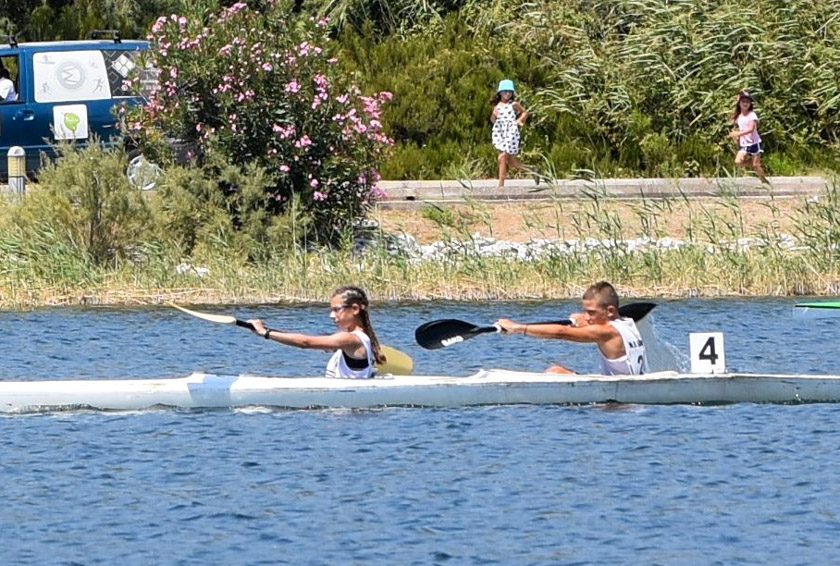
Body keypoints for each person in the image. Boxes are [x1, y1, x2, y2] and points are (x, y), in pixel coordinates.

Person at [495, 281, 648, 375]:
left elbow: (561, 332)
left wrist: (517, 327)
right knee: (558, 370)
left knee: (555, 371)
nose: (587, 317)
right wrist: (585, 318)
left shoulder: (605, 332)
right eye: (585, 311)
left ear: (610, 311)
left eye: (591, 312)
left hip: (618, 399)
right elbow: (599, 321)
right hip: (632, 384)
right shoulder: (628, 322)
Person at [247, 285, 385, 378]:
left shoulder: (350, 339)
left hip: (347, 414)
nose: (331, 316)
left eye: (337, 310)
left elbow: (305, 342)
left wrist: (265, 332)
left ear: (355, 309)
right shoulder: (362, 337)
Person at [490, 78, 531, 188]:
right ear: (500, 93)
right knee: (512, 162)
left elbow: (525, 112)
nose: (507, 94)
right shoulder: (497, 105)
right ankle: (532, 170)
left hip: (511, 133)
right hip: (500, 133)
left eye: (509, 92)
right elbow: (493, 120)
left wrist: (519, 120)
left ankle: (501, 185)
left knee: (502, 157)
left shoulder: (513, 104)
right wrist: (494, 115)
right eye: (505, 91)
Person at [729, 90, 766, 181]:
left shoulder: (752, 115)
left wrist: (738, 134)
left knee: (756, 166)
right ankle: (755, 164)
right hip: (745, 144)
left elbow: (751, 129)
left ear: (750, 104)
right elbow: (739, 128)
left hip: (754, 143)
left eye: (747, 102)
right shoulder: (739, 116)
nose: (745, 104)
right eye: (743, 101)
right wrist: (737, 137)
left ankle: (763, 179)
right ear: (739, 103)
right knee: (738, 161)